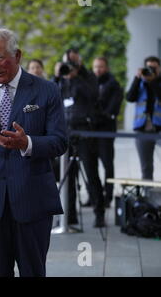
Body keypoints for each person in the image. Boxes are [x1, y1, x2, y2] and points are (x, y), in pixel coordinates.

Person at [0, 29, 67, 277]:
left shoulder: (47, 90)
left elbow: (60, 142)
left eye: (0, 58)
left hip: (32, 203)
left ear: (18, 55)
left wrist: (27, 143)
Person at [59, 48, 105, 227]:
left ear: (80, 62)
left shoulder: (87, 77)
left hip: (84, 131)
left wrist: (76, 77)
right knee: (68, 175)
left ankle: (99, 213)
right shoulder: (62, 77)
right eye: (67, 62)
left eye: (73, 62)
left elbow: (93, 95)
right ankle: (70, 215)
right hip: (66, 131)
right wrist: (60, 76)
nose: (70, 66)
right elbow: (55, 96)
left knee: (91, 173)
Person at [92, 57, 123, 207]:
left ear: (107, 68)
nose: (98, 70)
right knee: (92, 166)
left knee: (107, 164)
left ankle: (108, 196)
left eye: (101, 67)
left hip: (105, 130)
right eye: (96, 67)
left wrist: (99, 116)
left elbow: (113, 109)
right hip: (91, 131)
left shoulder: (113, 84)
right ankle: (95, 195)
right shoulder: (89, 83)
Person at [126, 56, 161, 180]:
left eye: (154, 68)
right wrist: (137, 78)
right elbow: (129, 97)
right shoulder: (140, 82)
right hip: (142, 128)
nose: (150, 70)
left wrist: (153, 81)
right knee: (146, 167)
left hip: (158, 128)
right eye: (148, 67)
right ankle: (148, 196)